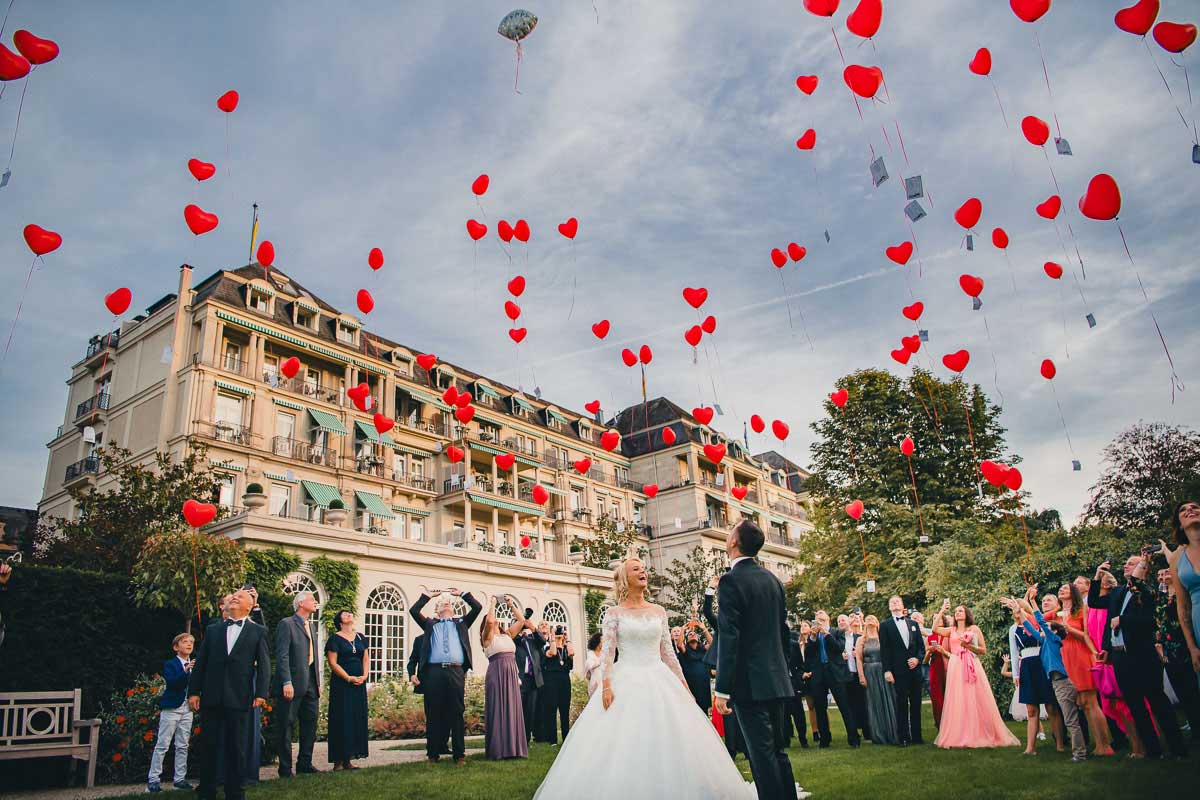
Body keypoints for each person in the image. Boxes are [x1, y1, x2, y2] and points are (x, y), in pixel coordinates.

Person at [532, 555, 784, 800]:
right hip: (626, 677)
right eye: (635, 569)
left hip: (659, 677)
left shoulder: (659, 611)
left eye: (643, 568)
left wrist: (683, 685)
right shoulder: (614, 613)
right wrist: (606, 686)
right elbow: (607, 653)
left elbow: (668, 653)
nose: (643, 571)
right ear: (624, 578)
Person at [713, 521, 797, 800]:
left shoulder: (730, 580)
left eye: (731, 531)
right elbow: (783, 632)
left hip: (750, 683)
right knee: (778, 751)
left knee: (761, 755)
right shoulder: (773, 580)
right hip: (776, 678)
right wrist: (783, 669)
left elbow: (729, 636)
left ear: (734, 542)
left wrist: (722, 688)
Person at [1096, 553, 1188, 759]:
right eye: (1126, 563)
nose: (1126, 566)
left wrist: (1123, 619)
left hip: (1142, 654)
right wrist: (1097, 575)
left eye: (1132, 563)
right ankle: (1153, 751)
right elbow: (1094, 601)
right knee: (1135, 705)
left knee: (1157, 701)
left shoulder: (1149, 593)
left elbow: (1151, 622)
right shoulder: (1118, 592)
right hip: (1120, 656)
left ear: (1143, 569)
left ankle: (1177, 749)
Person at [188, 589, 269, 800]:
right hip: (212, 696)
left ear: (249, 606)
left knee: (236, 747)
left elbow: (264, 665)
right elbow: (201, 662)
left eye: (240, 596)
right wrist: (194, 691)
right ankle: (206, 792)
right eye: (233, 595)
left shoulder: (257, 631)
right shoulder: (213, 630)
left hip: (239, 696)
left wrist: (260, 693)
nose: (234, 597)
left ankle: (235, 793)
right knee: (209, 746)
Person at [1007, 591, 1088, 761]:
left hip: (1062, 682)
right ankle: (1078, 750)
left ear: (1054, 632)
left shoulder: (1052, 640)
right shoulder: (1045, 640)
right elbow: (1031, 627)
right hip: (1057, 682)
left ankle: (1079, 753)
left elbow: (1040, 622)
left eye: (1046, 628)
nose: (1041, 630)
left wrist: (1032, 602)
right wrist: (1019, 611)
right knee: (1071, 718)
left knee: (1071, 720)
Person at [410, 587, 483, 764]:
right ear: (437, 610)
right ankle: (432, 754)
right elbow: (414, 610)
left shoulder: (461, 623)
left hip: (456, 672)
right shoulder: (429, 624)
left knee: (456, 712)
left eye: (449, 603)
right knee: (433, 714)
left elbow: (477, 607)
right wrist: (428, 595)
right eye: (443, 603)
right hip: (433, 673)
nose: (447, 604)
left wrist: (463, 594)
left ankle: (459, 755)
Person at [932, 600, 1019, 749]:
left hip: (972, 664)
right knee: (958, 699)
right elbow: (934, 629)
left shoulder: (974, 629)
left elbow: (983, 650)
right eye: (956, 611)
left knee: (974, 697)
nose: (958, 613)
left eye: (961, 610)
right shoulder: (951, 630)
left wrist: (968, 646)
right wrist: (942, 611)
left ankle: (979, 732)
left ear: (967, 614)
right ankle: (959, 734)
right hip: (956, 665)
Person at [1058, 582, 1114, 756]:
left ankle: (1105, 745)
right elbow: (1035, 618)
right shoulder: (1058, 614)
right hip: (1067, 658)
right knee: (1082, 703)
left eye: (1065, 588)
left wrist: (1068, 629)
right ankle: (1097, 744)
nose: (1061, 590)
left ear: (1073, 593)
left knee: (1090, 702)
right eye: (1060, 588)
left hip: (1080, 656)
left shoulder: (1082, 610)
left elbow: (1086, 635)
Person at [272, 590, 321, 777]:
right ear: (300, 603)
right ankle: (285, 768)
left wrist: (317, 682)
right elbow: (282, 655)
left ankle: (305, 763)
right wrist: (286, 681)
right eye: (312, 599)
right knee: (286, 725)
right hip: (292, 683)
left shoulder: (311, 626)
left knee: (310, 724)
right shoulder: (287, 624)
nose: (315, 602)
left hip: (311, 683)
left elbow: (313, 656)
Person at [1005, 599, 1063, 754]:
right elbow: (1014, 653)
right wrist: (1016, 674)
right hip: (1026, 666)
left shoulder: (1036, 624)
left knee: (1051, 707)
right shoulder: (1013, 629)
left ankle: (1060, 744)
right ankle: (1030, 748)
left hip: (1042, 662)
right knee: (1031, 709)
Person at [481, 595, 529, 760]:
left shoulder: (507, 634)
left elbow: (522, 621)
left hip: (511, 673)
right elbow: (489, 622)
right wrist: (493, 604)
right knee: (499, 708)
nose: (495, 620)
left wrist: (510, 604)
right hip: (497, 673)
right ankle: (499, 749)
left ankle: (513, 749)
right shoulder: (487, 638)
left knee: (512, 708)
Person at [147, 633, 195, 792]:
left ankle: (180, 779)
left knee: (183, 745)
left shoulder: (194, 664)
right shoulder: (171, 664)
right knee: (163, 744)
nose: (189, 644)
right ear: (176, 647)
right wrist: (186, 670)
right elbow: (173, 683)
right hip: (172, 708)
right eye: (185, 642)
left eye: (191, 642)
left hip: (187, 709)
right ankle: (153, 780)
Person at [1156, 566, 1200, 739]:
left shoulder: (1184, 594)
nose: (1164, 575)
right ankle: (1195, 728)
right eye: (1160, 574)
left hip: (1186, 644)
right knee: (1182, 691)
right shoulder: (1161, 597)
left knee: (1193, 687)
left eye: (1167, 571)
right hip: (1169, 648)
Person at [704, 574, 745, 760]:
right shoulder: (722, 625)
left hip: (743, 670)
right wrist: (711, 588)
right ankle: (731, 749)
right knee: (728, 711)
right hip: (727, 671)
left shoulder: (745, 624)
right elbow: (707, 611)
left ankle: (746, 748)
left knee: (743, 710)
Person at [878, 595, 925, 746]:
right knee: (901, 703)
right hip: (898, 670)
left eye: (897, 601)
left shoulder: (913, 624)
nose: (895, 603)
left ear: (903, 605)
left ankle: (917, 736)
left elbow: (921, 648)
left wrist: (917, 659)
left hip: (914, 670)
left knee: (916, 703)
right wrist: (887, 670)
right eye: (892, 602)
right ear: (889, 607)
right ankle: (903, 737)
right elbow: (885, 650)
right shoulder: (885, 625)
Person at [808, 609, 859, 748]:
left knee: (844, 706)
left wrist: (827, 634)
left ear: (828, 618)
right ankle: (825, 739)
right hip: (819, 674)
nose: (819, 616)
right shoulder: (814, 635)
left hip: (835, 673)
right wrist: (812, 638)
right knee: (820, 708)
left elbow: (839, 648)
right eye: (817, 615)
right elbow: (809, 654)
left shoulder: (837, 632)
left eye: (821, 614)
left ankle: (853, 738)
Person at [325, 610, 369, 770]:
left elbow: (365, 658)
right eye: (344, 614)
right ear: (339, 621)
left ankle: (349, 759)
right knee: (341, 718)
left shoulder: (360, 637)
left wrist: (364, 676)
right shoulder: (334, 639)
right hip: (342, 684)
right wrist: (348, 678)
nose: (348, 614)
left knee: (355, 718)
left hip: (359, 683)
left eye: (350, 613)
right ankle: (338, 761)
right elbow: (333, 663)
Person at [856, 615, 898, 745]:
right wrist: (861, 676)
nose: (870, 620)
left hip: (884, 670)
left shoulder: (883, 637)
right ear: (864, 623)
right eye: (867, 619)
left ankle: (893, 732)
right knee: (874, 701)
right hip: (869, 672)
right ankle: (879, 734)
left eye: (873, 619)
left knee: (889, 699)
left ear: (877, 622)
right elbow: (858, 659)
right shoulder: (861, 639)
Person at [1170, 500, 1200, 674]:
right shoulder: (1177, 558)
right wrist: (1192, 647)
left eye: (1195, 507)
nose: (1190, 509)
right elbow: (1183, 606)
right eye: (1183, 510)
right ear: (1180, 525)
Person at [513, 612, 546, 743]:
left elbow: (543, 641)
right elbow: (512, 636)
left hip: (533, 680)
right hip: (520, 680)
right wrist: (519, 625)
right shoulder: (515, 640)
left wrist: (532, 627)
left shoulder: (532, 640)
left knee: (530, 711)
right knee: (518, 711)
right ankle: (517, 739)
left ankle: (526, 740)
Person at [540, 620, 574, 744]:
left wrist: (567, 638)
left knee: (565, 710)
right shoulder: (547, 648)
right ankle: (553, 739)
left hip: (565, 681)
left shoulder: (566, 649)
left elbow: (572, 653)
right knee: (552, 710)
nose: (559, 635)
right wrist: (553, 636)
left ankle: (566, 738)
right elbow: (553, 652)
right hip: (551, 681)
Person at [843, 610, 871, 742]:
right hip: (848, 674)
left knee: (864, 703)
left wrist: (859, 654)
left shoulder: (861, 637)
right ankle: (855, 731)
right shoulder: (843, 638)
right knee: (851, 704)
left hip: (862, 672)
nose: (855, 621)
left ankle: (867, 730)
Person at [785, 621, 811, 748]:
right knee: (783, 713)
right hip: (780, 683)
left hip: (793, 683)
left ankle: (803, 738)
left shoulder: (793, 644)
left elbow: (800, 665)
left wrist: (799, 676)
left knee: (798, 713)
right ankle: (785, 740)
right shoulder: (772, 645)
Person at [679, 619, 714, 714]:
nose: (692, 634)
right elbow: (679, 645)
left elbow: (713, 644)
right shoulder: (685, 650)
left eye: (694, 634)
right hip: (691, 685)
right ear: (687, 640)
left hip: (704, 684)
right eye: (690, 634)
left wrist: (704, 629)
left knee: (704, 711)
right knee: (692, 711)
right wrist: (682, 630)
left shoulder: (703, 649)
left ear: (698, 639)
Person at [583, 631, 603, 696]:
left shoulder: (604, 653)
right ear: (597, 642)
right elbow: (590, 665)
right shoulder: (591, 653)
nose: (604, 642)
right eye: (602, 641)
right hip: (595, 682)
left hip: (604, 681)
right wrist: (601, 661)